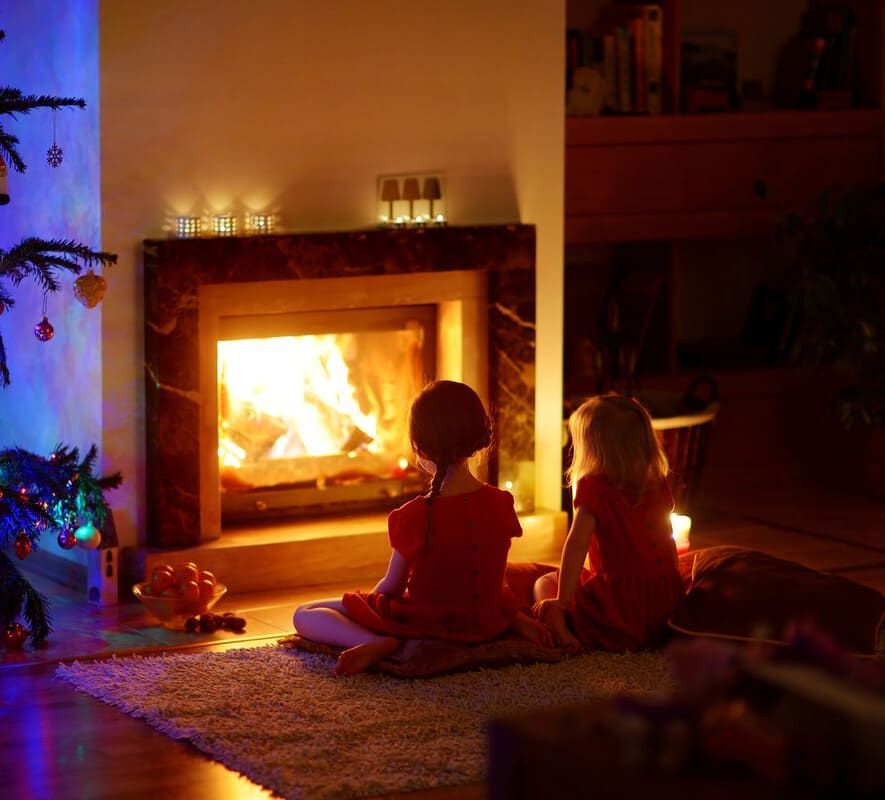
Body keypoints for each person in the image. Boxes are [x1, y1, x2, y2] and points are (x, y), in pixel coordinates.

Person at [293, 380, 551, 675]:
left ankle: (374, 641)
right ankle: (378, 639)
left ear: (420, 446)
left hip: (424, 625)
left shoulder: (414, 515)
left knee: (305, 613)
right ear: (478, 437)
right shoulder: (502, 502)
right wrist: (514, 618)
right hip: (485, 621)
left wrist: (367, 608)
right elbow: (492, 578)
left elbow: (391, 587)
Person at [532, 393, 684, 652]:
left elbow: (576, 545)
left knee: (544, 581)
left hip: (617, 610)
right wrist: (672, 587)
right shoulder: (657, 481)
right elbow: (667, 539)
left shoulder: (595, 487)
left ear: (593, 448)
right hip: (665, 605)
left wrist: (562, 599)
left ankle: (558, 626)